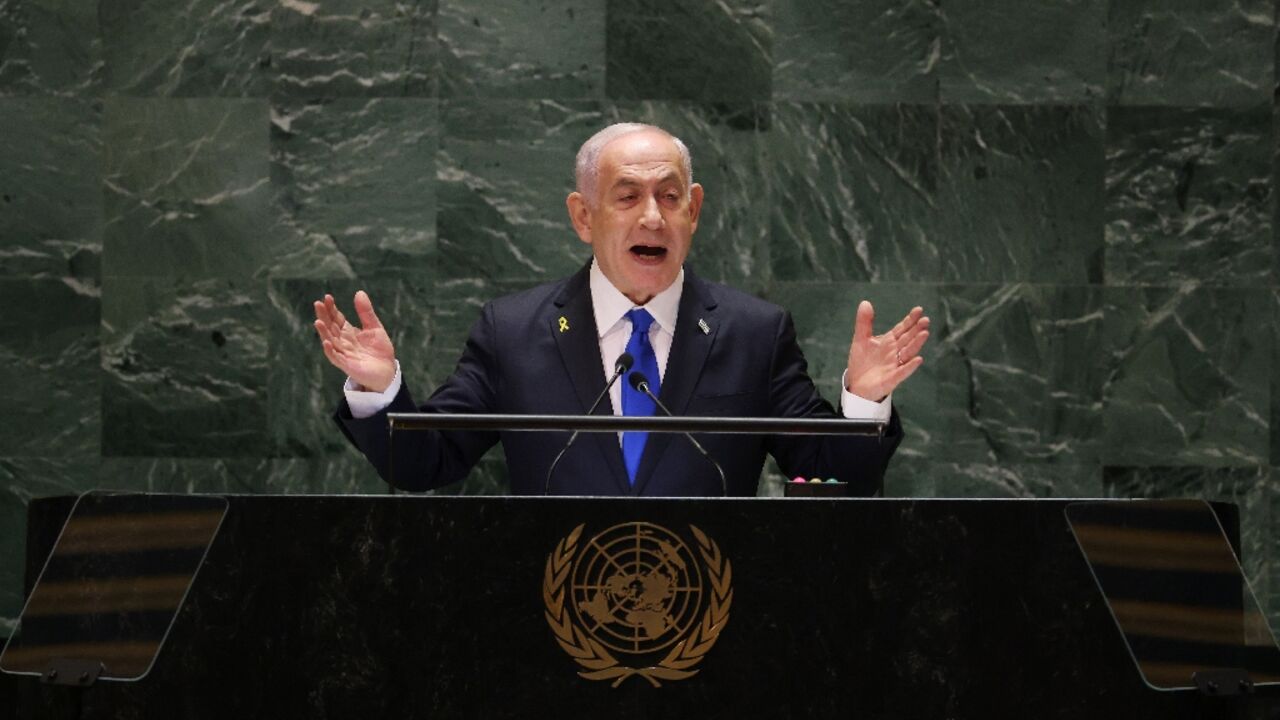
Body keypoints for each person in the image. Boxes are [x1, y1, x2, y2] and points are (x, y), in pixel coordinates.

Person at [314, 123, 929, 496]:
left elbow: (832, 473)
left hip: (709, 628)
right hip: (554, 625)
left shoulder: (753, 333)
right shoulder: (513, 332)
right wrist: (378, 392)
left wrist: (863, 403)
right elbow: (425, 463)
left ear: (694, 210)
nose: (653, 216)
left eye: (669, 196)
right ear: (584, 216)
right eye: (628, 196)